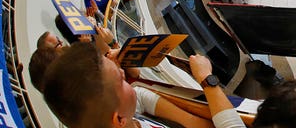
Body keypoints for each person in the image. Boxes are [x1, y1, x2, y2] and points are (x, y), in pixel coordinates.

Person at [41, 42, 245, 128]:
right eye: (121, 80)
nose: (122, 71)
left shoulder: (121, 117)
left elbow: (138, 96)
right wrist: (206, 79)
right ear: (119, 119)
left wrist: (190, 120)